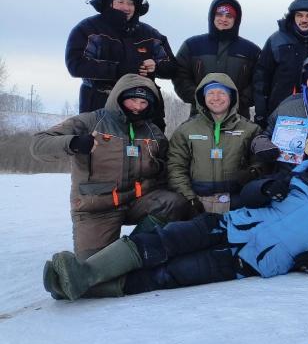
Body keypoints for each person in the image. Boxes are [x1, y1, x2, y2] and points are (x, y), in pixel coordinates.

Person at [42, 149, 308, 301]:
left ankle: (80, 287)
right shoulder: (294, 181)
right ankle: (84, 274)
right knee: (159, 241)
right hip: (225, 226)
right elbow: (248, 196)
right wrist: (266, 188)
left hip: (247, 261)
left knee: (171, 275)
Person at [30, 74, 189, 258]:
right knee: (94, 269)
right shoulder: (90, 121)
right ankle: (112, 257)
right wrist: (74, 142)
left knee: (174, 203)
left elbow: (166, 169)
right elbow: (38, 144)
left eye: (143, 103)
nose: (138, 107)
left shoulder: (153, 132)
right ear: (119, 97)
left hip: (138, 201)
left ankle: (133, 250)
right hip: (97, 206)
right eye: (133, 100)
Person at [65, 0, 175, 124]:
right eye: (120, 2)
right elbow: (76, 65)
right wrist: (119, 69)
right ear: (108, 3)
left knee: (150, 146)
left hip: (144, 108)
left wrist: (156, 66)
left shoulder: (151, 35)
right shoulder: (88, 29)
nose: (126, 7)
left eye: (131, 3)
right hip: (99, 107)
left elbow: (173, 67)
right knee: (100, 146)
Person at [167, 74, 265, 215]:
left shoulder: (250, 129)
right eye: (211, 93)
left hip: (236, 203)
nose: (216, 98)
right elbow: (175, 166)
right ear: (203, 97)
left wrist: (253, 172)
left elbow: (261, 162)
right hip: (198, 202)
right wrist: (189, 198)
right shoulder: (186, 129)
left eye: (222, 93)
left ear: (231, 97)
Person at [253, 0, 308, 128]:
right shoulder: (276, 40)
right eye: (299, 15)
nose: (304, 20)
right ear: (292, 17)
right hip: (280, 115)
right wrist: (261, 114)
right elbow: (261, 80)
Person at [172, 0, 261, 120]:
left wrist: (236, 101)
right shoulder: (192, 45)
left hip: (238, 118)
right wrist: (202, 99)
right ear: (212, 16)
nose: (223, 19)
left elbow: (259, 82)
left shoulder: (251, 50)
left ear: (236, 20)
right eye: (220, 14)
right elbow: (180, 76)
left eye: (229, 16)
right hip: (199, 117)